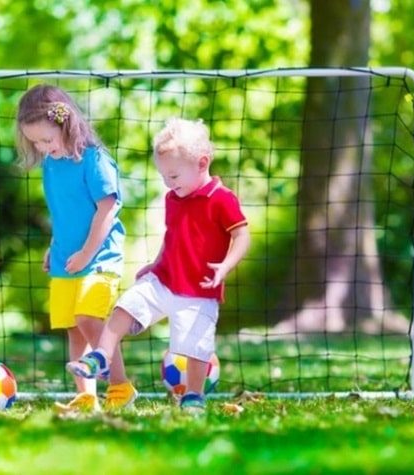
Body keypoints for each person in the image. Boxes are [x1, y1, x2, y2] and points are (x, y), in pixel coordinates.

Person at [66, 117, 251, 412]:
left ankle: (194, 395)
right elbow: (172, 235)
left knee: (197, 346)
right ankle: (101, 355)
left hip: (200, 290)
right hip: (164, 279)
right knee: (125, 305)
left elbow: (242, 235)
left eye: (174, 176)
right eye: (164, 176)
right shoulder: (173, 198)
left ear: (202, 164)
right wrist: (155, 263)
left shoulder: (221, 199)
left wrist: (226, 266)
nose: (169, 183)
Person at [15, 84, 136, 412]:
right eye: (35, 142)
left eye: (46, 139)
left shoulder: (94, 160)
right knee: (74, 327)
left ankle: (121, 388)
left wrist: (86, 253)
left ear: (64, 124)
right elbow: (65, 212)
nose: (42, 147)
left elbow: (107, 210)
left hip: (100, 258)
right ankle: (86, 396)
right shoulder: (52, 165)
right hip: (66, 259)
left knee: (89, 317)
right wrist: (54, 247)